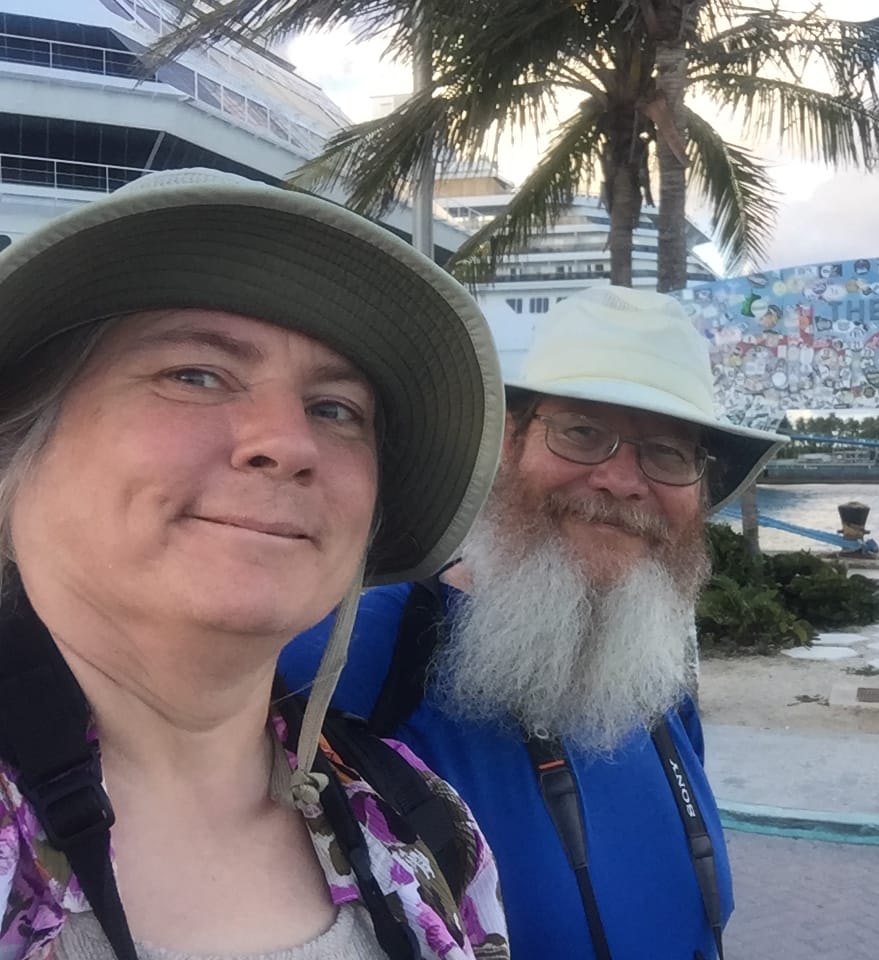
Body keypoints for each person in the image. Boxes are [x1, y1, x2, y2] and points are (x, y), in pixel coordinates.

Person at [0, 169, 511, 960]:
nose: (289, 443)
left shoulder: (422, 822)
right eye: (195, 375)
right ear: (15, 453)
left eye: (335, 409)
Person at [281, 286, 786, 960]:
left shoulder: (660, 691)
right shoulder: (346, 663)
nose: (621, 480)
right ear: (507, 443)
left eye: (668, 453)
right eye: (581, 432)